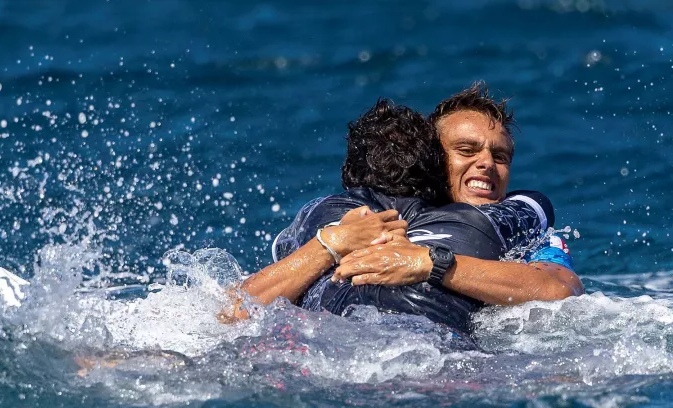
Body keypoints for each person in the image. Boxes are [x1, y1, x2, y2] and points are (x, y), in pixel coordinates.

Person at [229, 88, 581, 335]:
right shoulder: (350, 219)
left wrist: (431, 263)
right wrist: (330, 244)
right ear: (433, 157)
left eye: (500, 156)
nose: (487, 164)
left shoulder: (521, 230)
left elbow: (560, 289)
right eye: (466, 150)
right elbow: (238, 309)